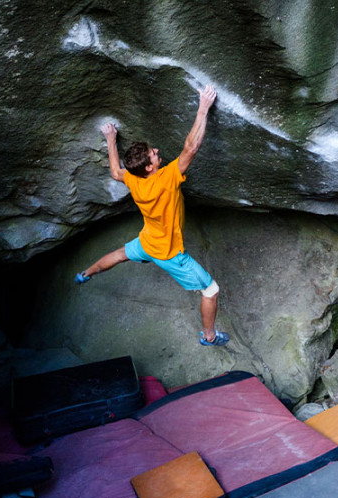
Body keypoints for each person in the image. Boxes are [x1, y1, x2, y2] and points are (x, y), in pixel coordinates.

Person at [75, 84, 228, 347]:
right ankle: (209, 336)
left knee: (122, 254)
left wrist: (111, 140)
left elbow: (115, 172)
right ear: (149, 167)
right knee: (210, 291)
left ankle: (85, 274)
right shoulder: (167, 178)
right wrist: (203, 107)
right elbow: (191, 148)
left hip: (148, 242)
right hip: (169, 253)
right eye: (154, 155)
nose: (157, 152)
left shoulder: (134, 180)